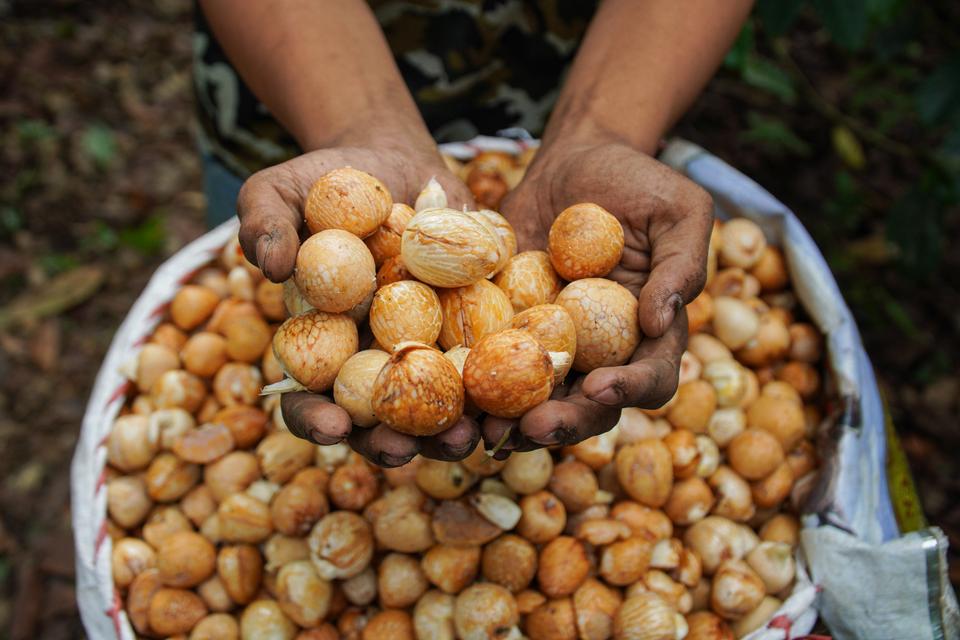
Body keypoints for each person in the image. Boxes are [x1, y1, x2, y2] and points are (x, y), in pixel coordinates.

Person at [194, 0, 753, 467]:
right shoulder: (393, 267)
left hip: (564, 58)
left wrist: (602, 131)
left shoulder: (475, 280)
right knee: (274, 241)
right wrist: (360, 128)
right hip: (296, 79)